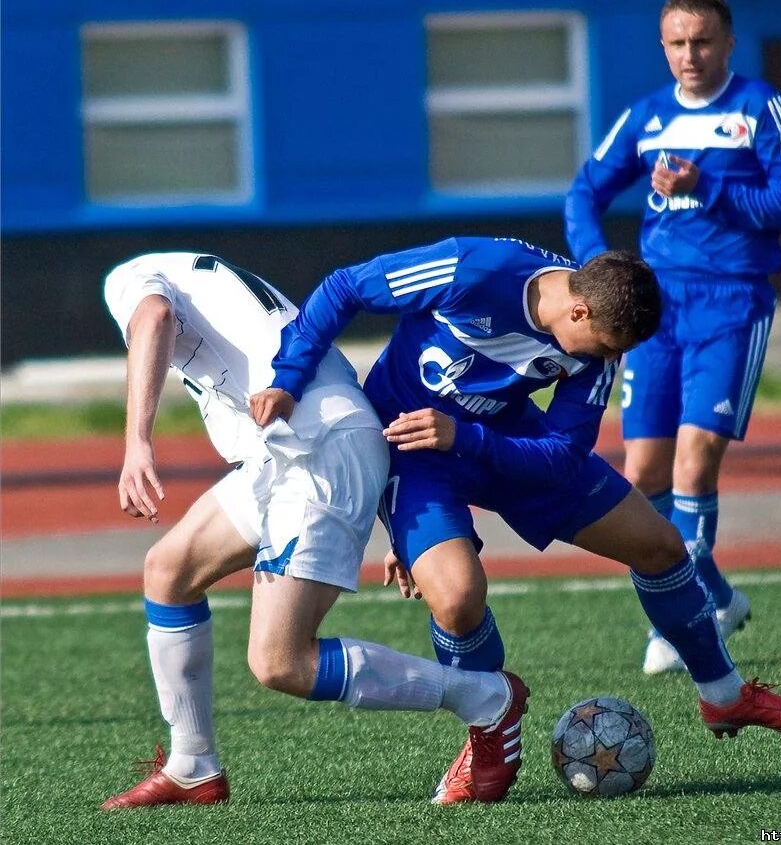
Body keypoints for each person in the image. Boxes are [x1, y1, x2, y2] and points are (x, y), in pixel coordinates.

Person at [249, 235, 781, 806]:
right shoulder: (473, 269)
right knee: (455, 598)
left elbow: (564, 453)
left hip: (503, 440)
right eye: (604, 346)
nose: (607, 359)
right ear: (578, 309)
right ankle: (485, 736)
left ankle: (725, 696)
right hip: (413, 447)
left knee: (660, 545)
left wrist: (469, 438)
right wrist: (288, 377)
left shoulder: (597, 334)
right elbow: (346, 286)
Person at [100, 252, 531, 809]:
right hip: (287, 452)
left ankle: (487, 697)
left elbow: (153, 316)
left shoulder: (129, 279)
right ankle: (192, 767)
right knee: (168, 571)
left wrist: (136, 442)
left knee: (280, 662)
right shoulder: (201, 278)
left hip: (317, 452)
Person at [565, 0, 781, 674]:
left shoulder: (760, 109)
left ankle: (685, 621)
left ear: (727, 43)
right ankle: (718, 597)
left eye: (701, 41)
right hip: (654, 308)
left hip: (731, 302)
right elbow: (583, 191)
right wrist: (596, 266)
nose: (689, 56)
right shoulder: (648, 117)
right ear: (663, 47)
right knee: (643, 470)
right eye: (676, 43)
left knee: (695, 459)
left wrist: (708, 189)